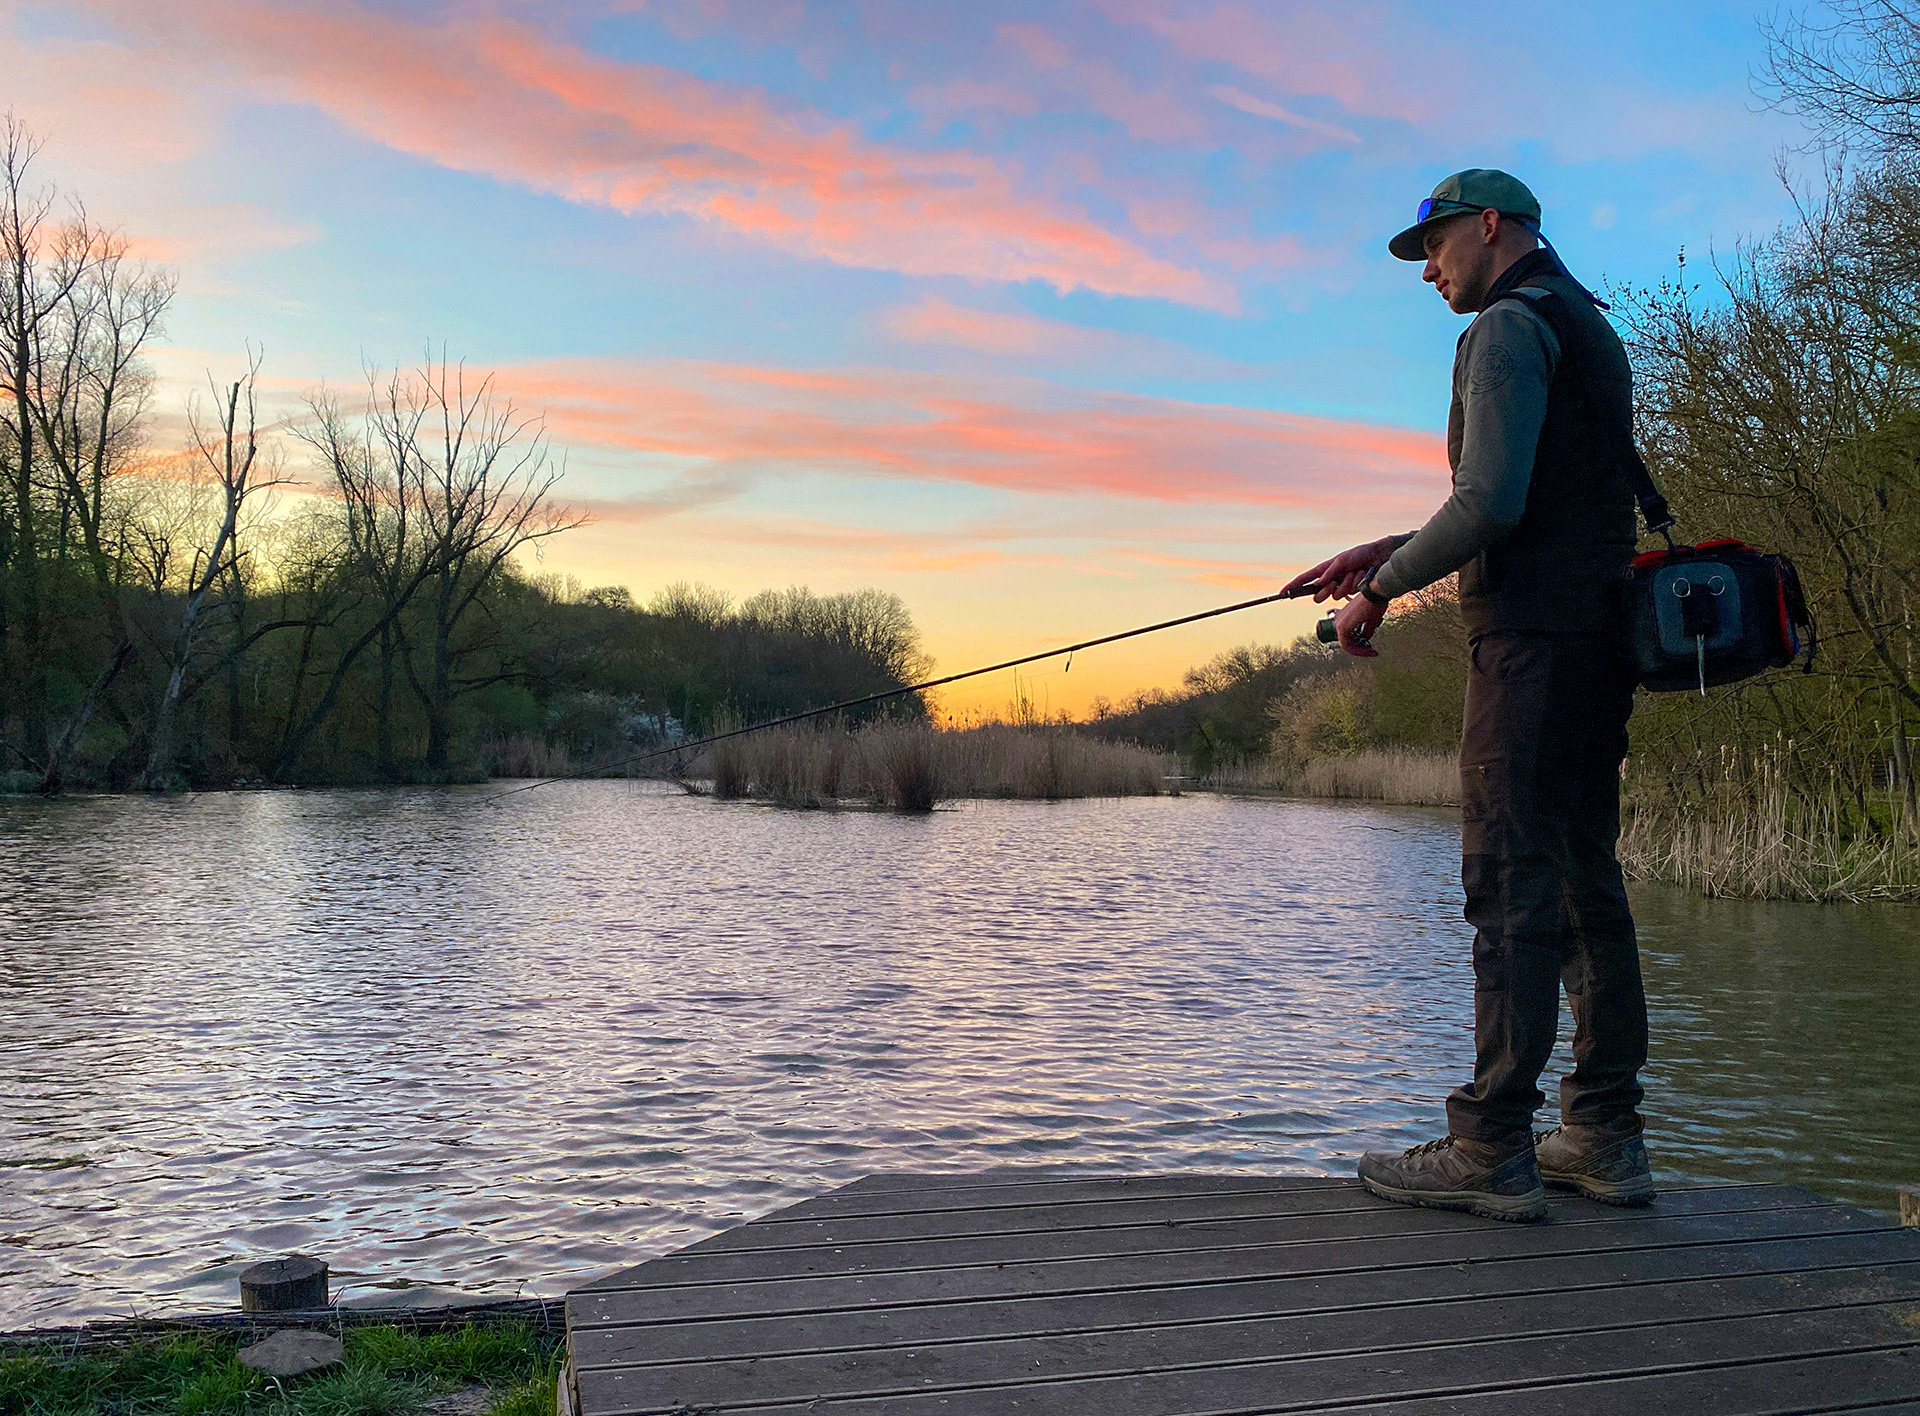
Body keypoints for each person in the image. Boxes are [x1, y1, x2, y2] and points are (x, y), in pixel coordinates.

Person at [1283, 169, 1655, 1222]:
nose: (1429, 271)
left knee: (1509, 891)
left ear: (1490, 226)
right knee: (1586, 882)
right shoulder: (1583, 321)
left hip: (1529, 656)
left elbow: (1489, 502)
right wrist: (1387, 548)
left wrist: (1381, 596)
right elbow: (1537, 499)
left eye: (1436, 247)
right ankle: (1603, 1137)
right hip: (1593, 646)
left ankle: (1490, 1145)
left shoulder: (1502, 328)